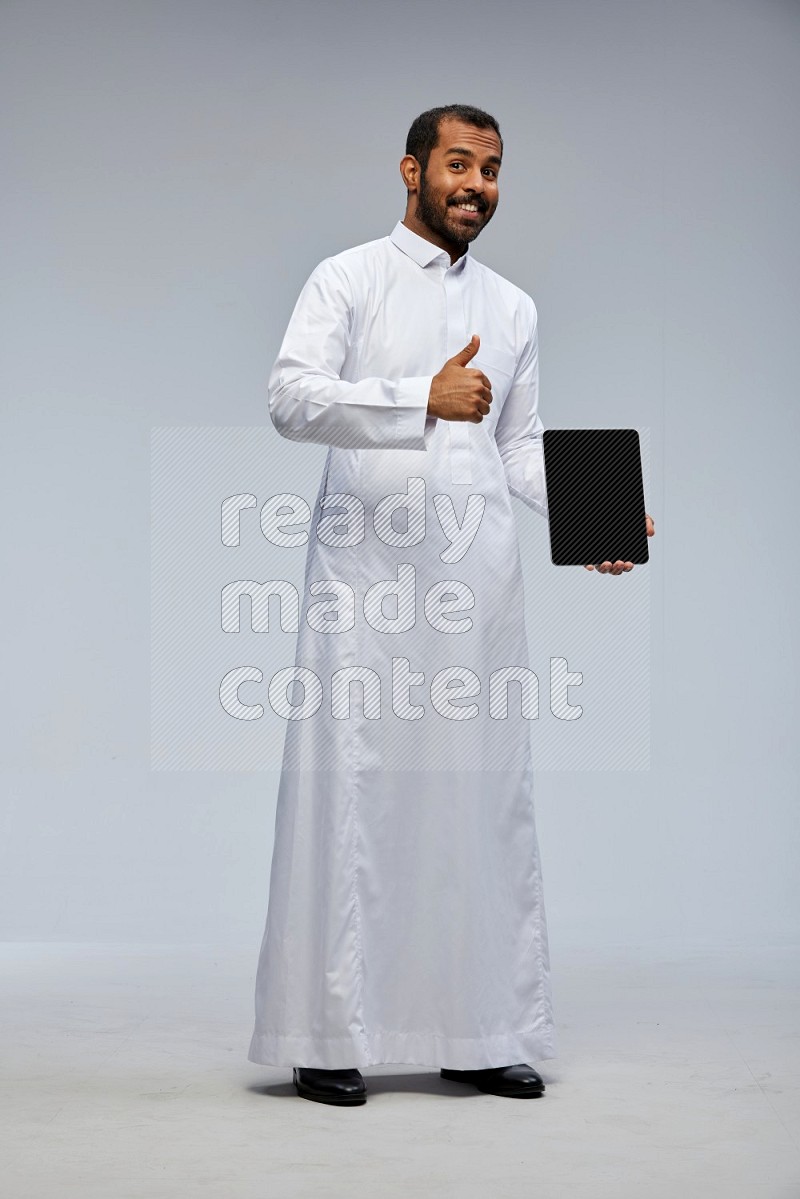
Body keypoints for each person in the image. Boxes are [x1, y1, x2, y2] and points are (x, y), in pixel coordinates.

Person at [248, 103, 655, 1107]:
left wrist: (595, 516)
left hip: (475, 589)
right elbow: (291, 397)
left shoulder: (512, 306)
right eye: (458, 164)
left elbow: (517, 443)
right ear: (410, 169)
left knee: (478, 800)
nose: (476, 185)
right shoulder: (346, 277)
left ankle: (481, 1028)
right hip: (367, 586)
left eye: (492, 169)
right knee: (357, 794)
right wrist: (415, 397)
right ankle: (329, 1032)